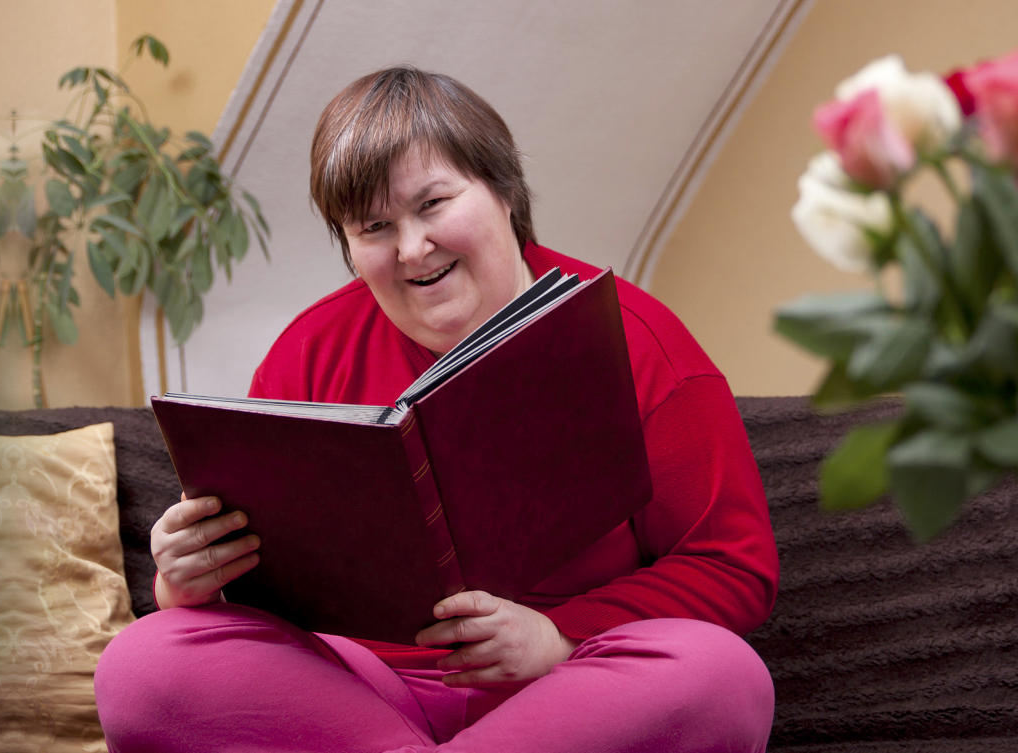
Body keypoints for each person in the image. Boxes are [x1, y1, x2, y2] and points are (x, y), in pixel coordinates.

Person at [94, 67, 780, 752]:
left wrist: (558, 635)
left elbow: (734, 565)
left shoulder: (635, 335)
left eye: (433, 204)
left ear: (504, 190)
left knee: (723, 677)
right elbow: (252, 605)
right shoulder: (308, 351)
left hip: (570, 685)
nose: (413, 247)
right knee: (141, 667)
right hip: (357, 694)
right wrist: (184, 580)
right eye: (375, 226)